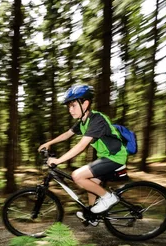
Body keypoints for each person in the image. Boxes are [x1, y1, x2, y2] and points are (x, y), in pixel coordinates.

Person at [38, 84, 128, 226]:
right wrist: (49, 142)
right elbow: (67, 134)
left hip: (115, 157)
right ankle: (93, 215)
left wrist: (59, 160)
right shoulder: (82, 122)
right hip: (105, 157)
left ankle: (109, 198)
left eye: (73, 105)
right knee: (91, 184)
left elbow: (81, 145)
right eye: (68, 107)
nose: (70, 110)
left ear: (85, 103)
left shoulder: (97, 120)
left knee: (77, 176)